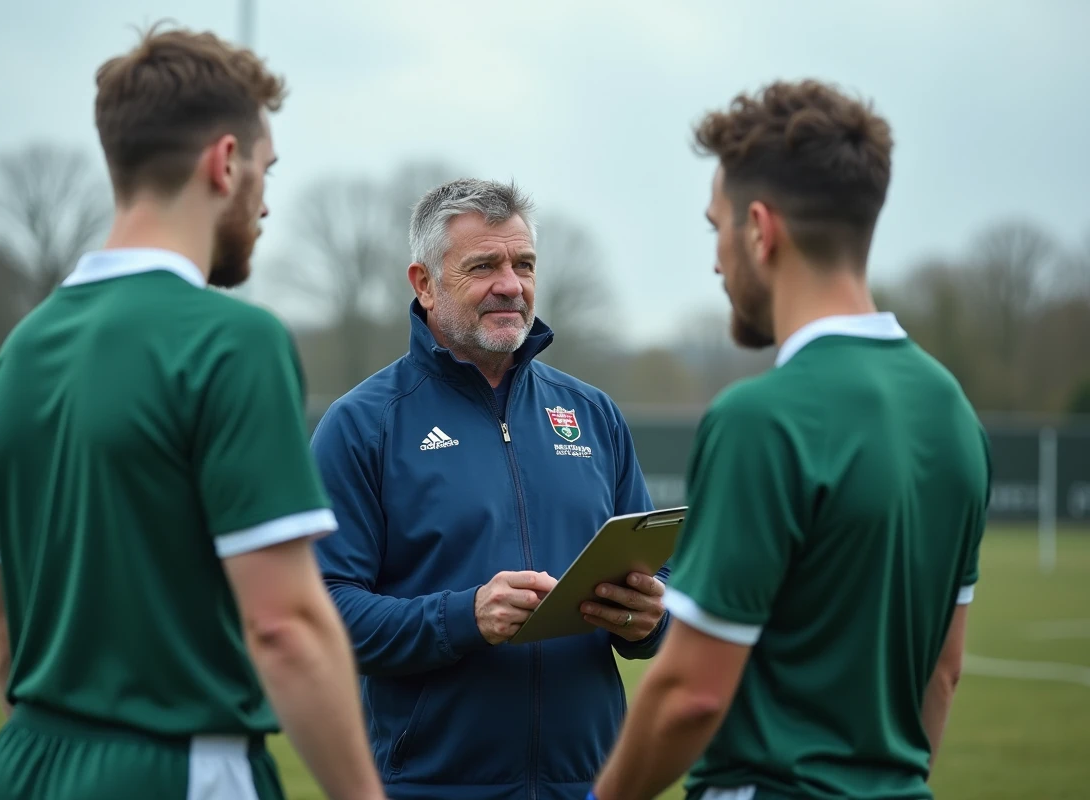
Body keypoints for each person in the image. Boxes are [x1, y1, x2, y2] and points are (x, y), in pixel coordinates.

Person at [0, 23, 385, 800]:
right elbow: (285, 627)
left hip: (23, 769)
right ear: (226, 163)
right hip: (181, 769)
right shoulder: (235, 342)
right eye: (266, 168)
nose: (266, 200)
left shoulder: (11, 360)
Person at [589, 79, 992, 800]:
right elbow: (944, 669)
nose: (715, 261)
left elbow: (692, 694)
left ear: (760, 230)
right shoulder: (953, 411)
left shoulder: (760, 419)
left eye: (715, 227)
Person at [309, 177, 671, 800]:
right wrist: (463, 616)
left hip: (590, 786)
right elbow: (324, 614)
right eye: (484, 266)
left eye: (523, 263)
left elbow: (660, 581)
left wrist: (652, 619)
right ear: (423, 283)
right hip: (432, 787)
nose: (511, 284)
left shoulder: (592, 415)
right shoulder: (364, 424)